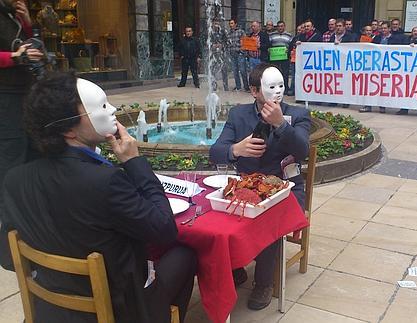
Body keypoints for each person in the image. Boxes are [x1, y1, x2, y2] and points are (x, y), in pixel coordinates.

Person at [0, 72, 197, 323]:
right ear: (69, 129)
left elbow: (7, 258)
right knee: (184, 255)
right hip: (116, 311)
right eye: (102, 106)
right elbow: (165, 229)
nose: (113, 109)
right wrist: (134, 162)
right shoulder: (105, 181)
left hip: (49, 309)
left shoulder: (15, 179)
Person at [209, 63, 310, 310]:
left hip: (285, 188)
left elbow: (302, 150)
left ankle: (264, 282)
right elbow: (215, 152)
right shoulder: (238, 115)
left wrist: (281, 125)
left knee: (270, 218)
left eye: (280, 86)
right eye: (270, 87)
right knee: (217, 216)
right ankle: (235, 267)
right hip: (248, 185)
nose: (277, 92)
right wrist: (235, 150)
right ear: (255, 91)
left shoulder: (297, 115)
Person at [0, 0, 43, 256]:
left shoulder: (11, 13)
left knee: (36, 154)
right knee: (11, 162)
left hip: (26, 93)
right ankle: (9, 241)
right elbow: (17, 53)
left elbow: (29, 45)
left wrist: (27, 22)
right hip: (5, 97)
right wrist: (16, 57)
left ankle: (32, 227)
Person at [360, 21, 392, 113]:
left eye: (385, 28)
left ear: (389, 29)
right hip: (375, 65)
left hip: (387, 66)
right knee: (371, 85)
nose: (383, 30)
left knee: (384, 86)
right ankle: (368, 105)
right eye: (382, 28)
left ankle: (382, 106)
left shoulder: (395, 38)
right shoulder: (377, 38)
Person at [268, 20, 291, 94]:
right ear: (276, 27)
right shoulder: (271, 35)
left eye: (281, 26)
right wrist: (269, 49)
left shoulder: (289, 35)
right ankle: (275, 89)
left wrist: (288, 50)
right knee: (275, 74)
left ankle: (285, 88)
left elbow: (291, 46)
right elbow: (269, 45)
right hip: (275, 58)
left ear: (284, 26)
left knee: (285, 73)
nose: (280, 28)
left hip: (285, 58)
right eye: (278, 26)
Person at [228, 18, 249, 91]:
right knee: (235, 71)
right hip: (232, 54)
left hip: (240, 54)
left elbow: (245, 42)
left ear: (235, 24)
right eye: (230, 24)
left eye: (232, 23)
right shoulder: (229, 33)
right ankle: (238, 86)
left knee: (243, 70)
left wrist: (242, 51)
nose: (231, 25)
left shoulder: (240, 32)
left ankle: (246, 87)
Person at [209, 20, 229, 91]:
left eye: (218, 23)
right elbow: (207, 42)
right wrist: (212, 45)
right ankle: (214, 86)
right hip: (213, 55)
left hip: (222, 54)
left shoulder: (223, 32)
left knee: (224, 70)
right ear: (213, 24)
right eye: (215, 23)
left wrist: (222, 45)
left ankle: (225, 86)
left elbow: (228, 42)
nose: (216, 25)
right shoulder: (210, 32)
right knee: (213, 70)